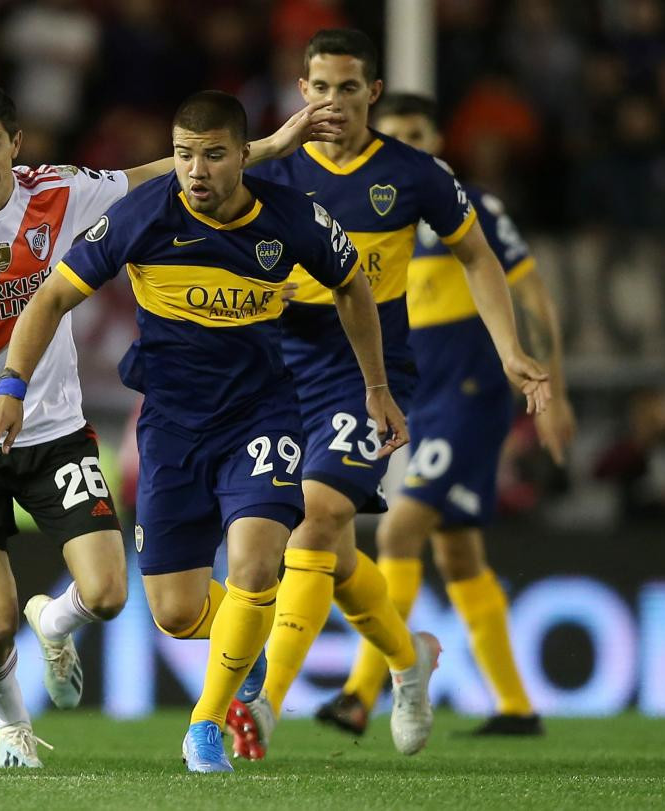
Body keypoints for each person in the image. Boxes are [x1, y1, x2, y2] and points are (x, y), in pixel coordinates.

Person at [0, 81, 339, 768]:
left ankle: (56, 621)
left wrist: (263, 148)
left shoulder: (58, 190)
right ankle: (13, 727)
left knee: (109, 593)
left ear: (15, 144)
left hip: (52, 426)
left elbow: (150, 177)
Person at [0, 89, 402, 773]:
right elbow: (50, 296)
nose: (195, 170)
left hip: (262, 415)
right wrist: (11, 389)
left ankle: (204, 727)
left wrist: (376, 387)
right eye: (185, 155)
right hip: (170, 426)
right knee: (173, 611)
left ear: (241, 158)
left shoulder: (290, 218)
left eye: (214, 155)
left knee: (257, 563)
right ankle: (245, 642)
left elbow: (352, 287)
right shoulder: (144, 214)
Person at [228, 29, 552, 759]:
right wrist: (264, 150)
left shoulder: (411, 173)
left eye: (349, 88)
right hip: (280, 368)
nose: (334, 102)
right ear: (300, 90)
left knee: (315, 519)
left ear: (372, 92)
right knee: (334, 554)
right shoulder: (273, 171)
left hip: (367, 372)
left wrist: (510, 351)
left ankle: (265, 710)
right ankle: (409, 660)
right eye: (320, 87)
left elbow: (477, 254)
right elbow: (195, 179)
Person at [315, 92, 575, 737]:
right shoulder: (376, 215)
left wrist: (557, 392)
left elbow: (534, 292)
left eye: (418, 133)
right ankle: (517, 708)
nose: (407, 143)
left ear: (435, 140)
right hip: (413, 399)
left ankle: (360, 691)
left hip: (465, 398)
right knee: (459, 555)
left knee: (399, 534)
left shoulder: (469, 208)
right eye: (395, 133)